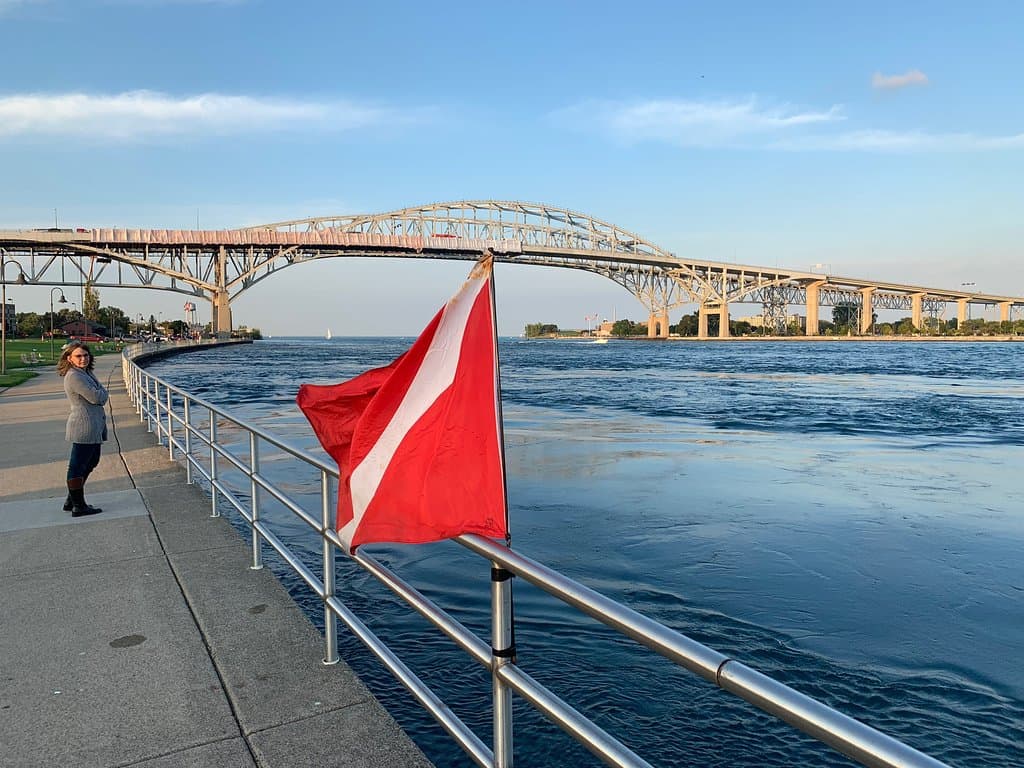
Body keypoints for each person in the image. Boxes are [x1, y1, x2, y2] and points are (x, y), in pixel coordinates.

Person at [58, 341, 107, 517]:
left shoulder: (86, 373)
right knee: (77, 466)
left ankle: (71, 500)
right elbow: (97, 397)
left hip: (93, 425)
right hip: (84, 426)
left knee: (91, 461)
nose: (83, 359)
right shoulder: (74, 376)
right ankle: (78, 505)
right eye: (78, 356)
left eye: (85, 355)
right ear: (69, 358)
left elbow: (100, 393)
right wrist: (102, 392)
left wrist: (101, 392)